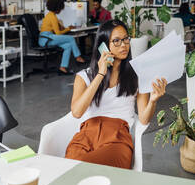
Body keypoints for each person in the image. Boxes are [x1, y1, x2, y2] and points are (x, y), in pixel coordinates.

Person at [65, 19, 168, 169]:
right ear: (103, 46)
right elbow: (77, 112)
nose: (124, 45)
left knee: (84, 168)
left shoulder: (137, 75)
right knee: (69, 166)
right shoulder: (83, 77)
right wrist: (100, 74)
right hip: (86, 134)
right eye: (117, 41)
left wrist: (153, 100)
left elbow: (144, 119)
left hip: (117, 136)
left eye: (126, 39)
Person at [39, 0, 85, 75]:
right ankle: (78, 57)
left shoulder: (50, 15)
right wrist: (68, 29)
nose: (61, 10)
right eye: (60, 8)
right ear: (57, 7)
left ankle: (63, 67)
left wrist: (64, 27)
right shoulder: (52, 17)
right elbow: (58, 33)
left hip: (47, 38)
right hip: (46, 38)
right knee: (70, 38)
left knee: (68, 46)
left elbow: (57, 30)